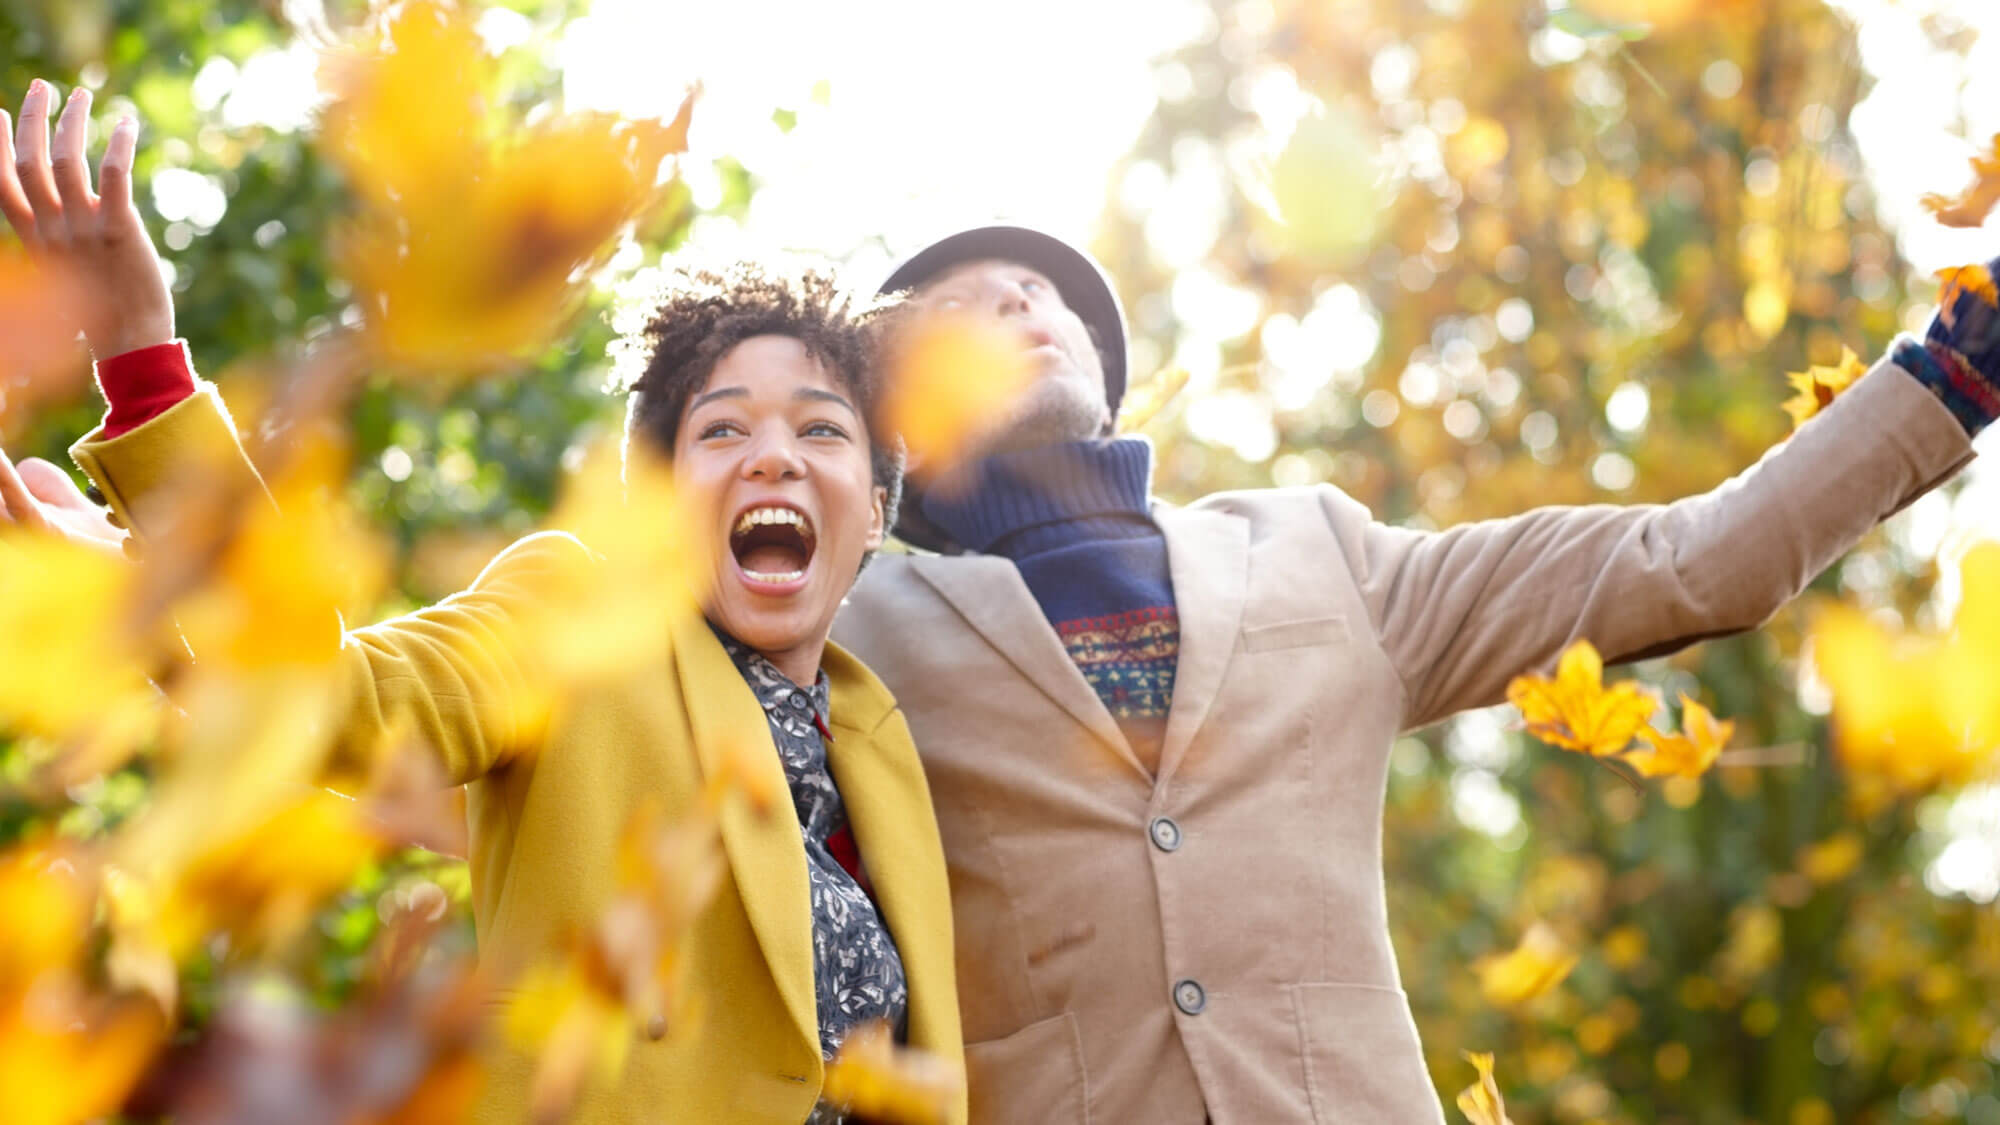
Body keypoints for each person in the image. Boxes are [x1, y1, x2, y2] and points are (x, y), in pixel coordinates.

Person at [821, 225, 1998, 1123]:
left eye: (1041, 292)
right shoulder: (847, 633)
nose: (1020, 298)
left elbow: (1691, 563)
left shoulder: (1319, 555)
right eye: (956, 310)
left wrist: (1949, 372)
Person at [0, 81, 965, 1125]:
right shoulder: (575, 625)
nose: (772, 456)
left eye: (820, 431)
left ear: (873, 513)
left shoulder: (878, 738)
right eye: (721, 432)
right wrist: (145, 364)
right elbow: (342, 706)